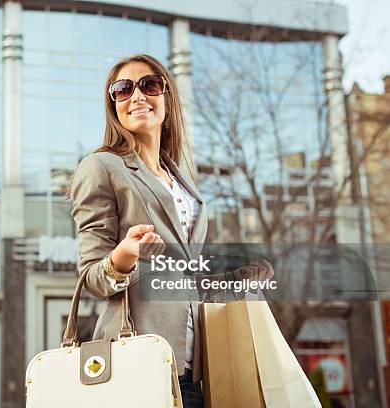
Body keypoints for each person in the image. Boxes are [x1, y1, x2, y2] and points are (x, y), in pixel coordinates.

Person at [69, 54, 273, 407]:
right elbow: (92, 277)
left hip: (197, 366)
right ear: (113, 104)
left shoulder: (182, 180)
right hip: (139, 362)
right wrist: (125, 255)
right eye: (122, 89)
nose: (136, 96)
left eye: (149, 85)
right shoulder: (101, 167)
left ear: (167, 97)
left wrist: (234, 280)